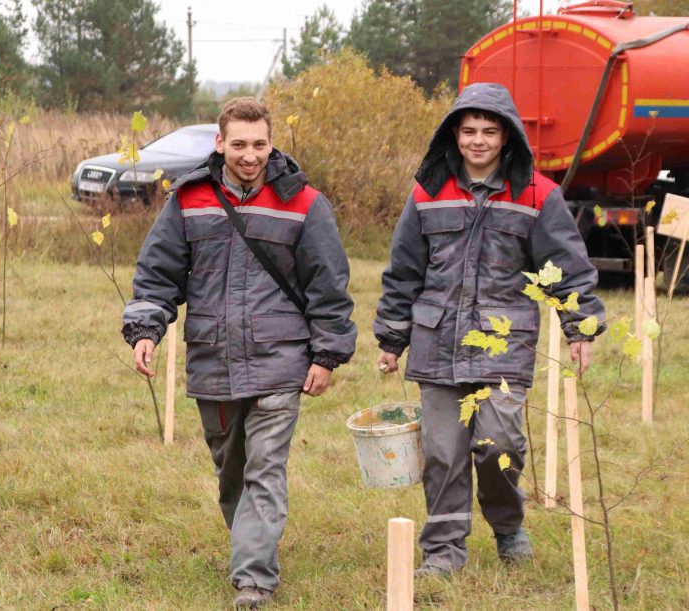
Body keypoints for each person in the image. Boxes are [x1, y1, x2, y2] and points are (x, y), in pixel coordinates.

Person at [121, 97, 357, 609]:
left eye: (259, 144)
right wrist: (146, 328)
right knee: (232, 474)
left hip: (281, 362)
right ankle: (252, 544)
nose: (250, 155)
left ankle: (253, 581)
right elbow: (158, 274)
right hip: (213, 361)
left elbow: (329, 286)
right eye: (239, 144)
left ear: (271, 143)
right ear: (220, 143)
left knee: (265, 471)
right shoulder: (187, 201)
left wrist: (327, 355)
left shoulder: (305, 203)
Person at [374, 82, 605, 577]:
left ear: (507, 137)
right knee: (442, 454)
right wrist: (392, 339)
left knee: (497, 445)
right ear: (454, 136)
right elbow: (404, 270)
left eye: (489, 131)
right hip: (437, 344)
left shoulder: (539, 195)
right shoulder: (427, 194)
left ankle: (506, 524)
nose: (478, 140)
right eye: (469, 131)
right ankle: (443, 553)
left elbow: (566, 266)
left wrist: (579, 327)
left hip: (505, 342)